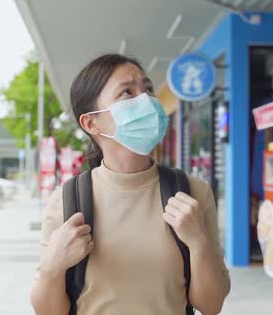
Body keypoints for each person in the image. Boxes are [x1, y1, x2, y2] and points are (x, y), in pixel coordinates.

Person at [30, 54, 231, 315]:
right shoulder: (68, 200)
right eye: (127, 92)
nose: (145, 99)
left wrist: (198, 243)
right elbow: (48, 311)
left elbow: (211, 306)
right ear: (91, 122)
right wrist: (52, 266)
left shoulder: (193, 192)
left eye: (147, 89)